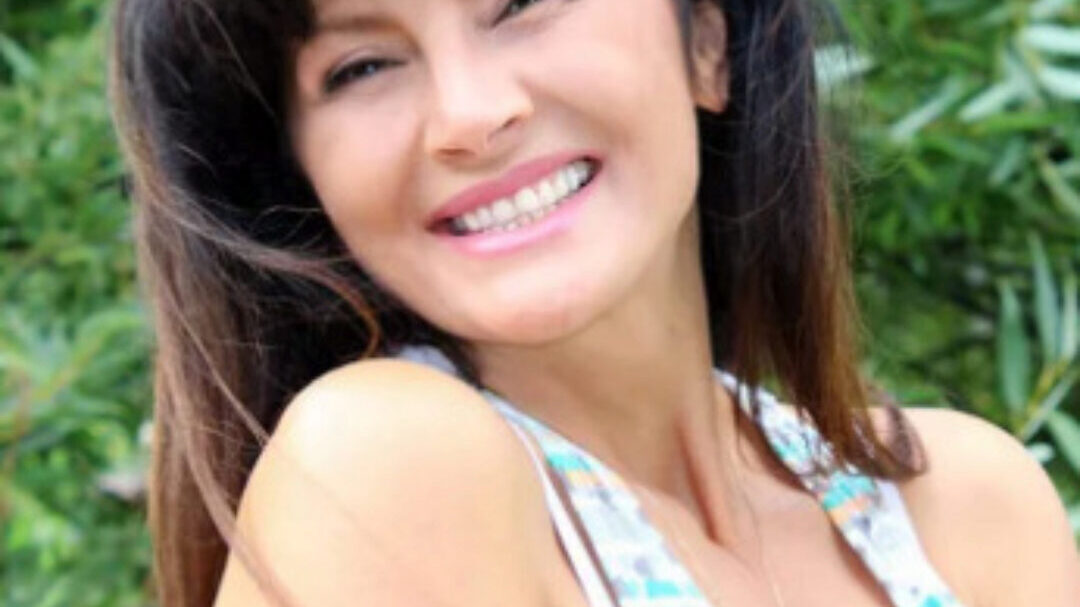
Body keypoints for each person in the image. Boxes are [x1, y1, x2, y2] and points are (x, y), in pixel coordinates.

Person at [108, 0, 1080, 605]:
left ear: (706, 39)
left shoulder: (969, 507)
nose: (470, 114)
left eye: (521, 3)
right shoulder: (382, 464)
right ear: (298, 173)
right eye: (361, 67)